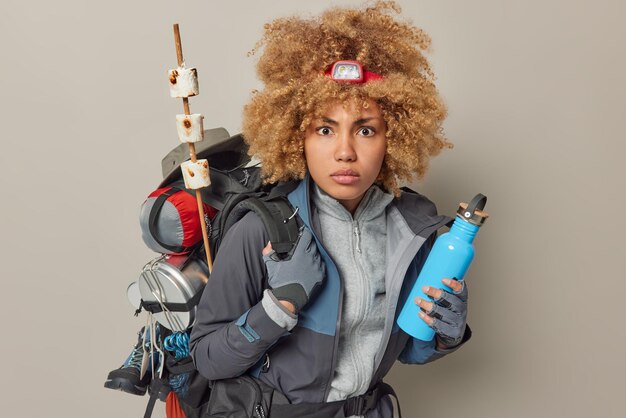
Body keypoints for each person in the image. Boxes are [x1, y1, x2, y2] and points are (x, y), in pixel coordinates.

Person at [189, 2, 471, 417]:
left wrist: (446, 333)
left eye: (365, 129)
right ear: (296, 136)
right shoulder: (261, 230)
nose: (345, 151)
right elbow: (208, 359)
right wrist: (278, 307)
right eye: (325, 129)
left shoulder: (414, 232)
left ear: (393, 137)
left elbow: (407, 350)